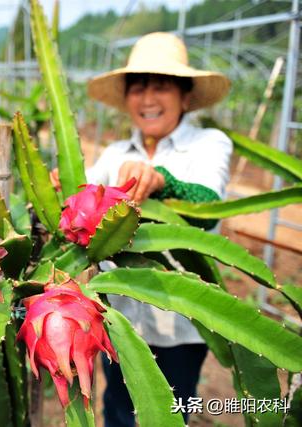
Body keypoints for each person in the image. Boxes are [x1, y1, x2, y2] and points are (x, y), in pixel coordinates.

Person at [85, 32, 232, 426]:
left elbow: (207, 207)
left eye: (161, 86)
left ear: (185, 96)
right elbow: (82, 206)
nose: (148, 98)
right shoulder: (115, 154)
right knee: (116, 408)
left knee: (168, 415)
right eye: (138, 87)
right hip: (119, 318)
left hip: (180, 326)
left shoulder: (209, 144)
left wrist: (161, 181)